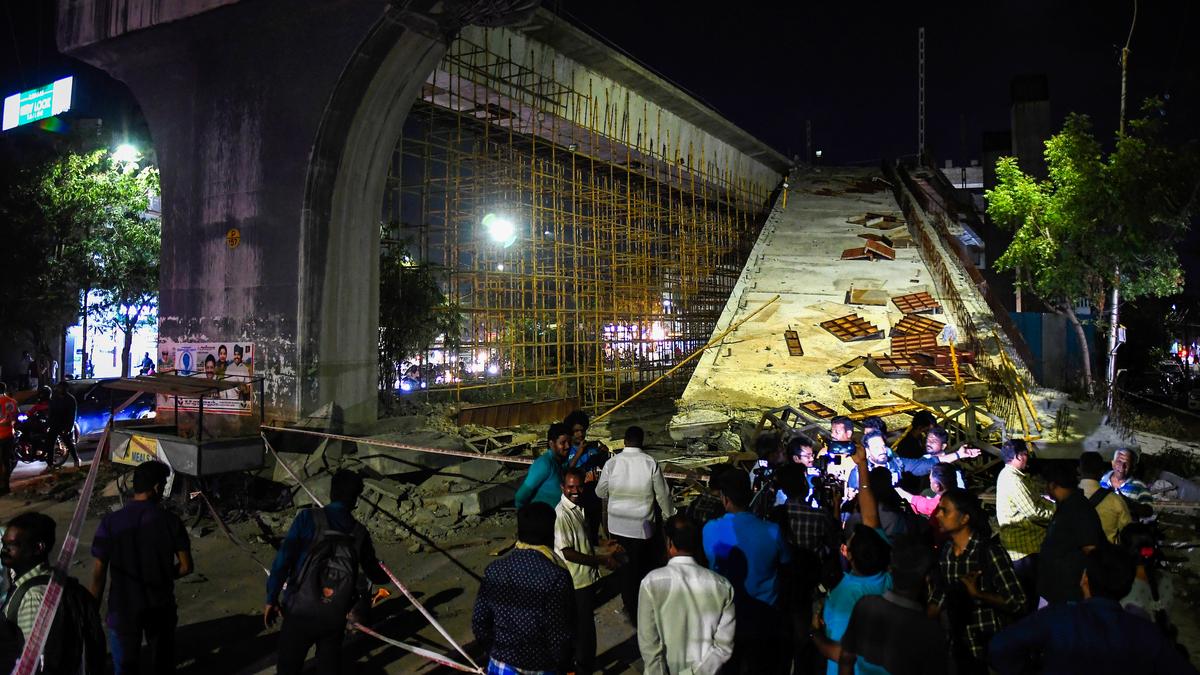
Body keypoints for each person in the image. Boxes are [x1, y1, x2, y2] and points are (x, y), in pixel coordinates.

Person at [988, 543, 1198, 675]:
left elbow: (999, 647)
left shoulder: (1058, 617)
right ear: (1126, 586)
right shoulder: (1145, 632)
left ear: (1084, 580)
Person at [265, 469, 390, 674]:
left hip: (300, 611)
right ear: (355, 499)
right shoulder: (359, 533)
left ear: (331, 492)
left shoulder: (307, 518)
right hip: (334, 615)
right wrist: (386, 573)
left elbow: (282, 561)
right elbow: (375, 574)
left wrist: (272, 597)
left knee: (288, 667)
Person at [90, 461, 193, 674]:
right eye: (164, 484)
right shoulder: (170, 521)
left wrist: (91, 613)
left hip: (122, 608)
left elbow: (98, 574)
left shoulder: (110, 522)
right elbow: (185, 567)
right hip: (160, 606)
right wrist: (163, 575)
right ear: (156, 487)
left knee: (125, 668)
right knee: (162, 664)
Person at [813, 443, 890, 675]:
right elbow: (870, 517)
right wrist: (862, 465)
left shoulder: (843, 596)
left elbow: (842, 653)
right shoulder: (889, 580)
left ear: (846, 553)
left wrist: (813, 632)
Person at [703, 468, 790, 673]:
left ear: (724, 499)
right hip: (764, 619)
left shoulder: (710, 530)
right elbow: (787, 566)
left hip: (725, 619)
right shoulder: (772, 531)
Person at [929, 488, 1025, 674]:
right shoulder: (946, 552)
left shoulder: (989, 552)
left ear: (965, 518)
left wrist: (979, 595)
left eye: (945, 510)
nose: (938, 514)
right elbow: (939, 596)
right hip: (959, 650)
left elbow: (1018, 602)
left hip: (990, 653)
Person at [472, 502, 575, 674]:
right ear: (551, 534)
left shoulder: (495, 570)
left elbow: (479, 623)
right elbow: (559, 635)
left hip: (501, 665)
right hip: (541, 667)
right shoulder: (557, 577)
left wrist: (497, 652)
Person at [2, 512, 105, 674]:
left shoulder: (32, 596)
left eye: (12, 545)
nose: (4, 551)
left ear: (38, 548)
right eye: (3, 544)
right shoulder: (55, 580)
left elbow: (36, 662)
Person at [595, 425, 675, 626]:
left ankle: (629, 608)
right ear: (642, 441)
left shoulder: (612, 464)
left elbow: (600, 492)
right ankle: (645, 608)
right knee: (642, 568)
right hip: (643, 528)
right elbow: (662, 495)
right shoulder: (650, 463)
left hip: (617, 526)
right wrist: (670, 515)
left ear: (624, 441)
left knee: (624, 570)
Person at [638, 515, 736, 675]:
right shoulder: (723, 587)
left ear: (669, 542)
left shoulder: (651, 583)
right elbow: (723, 648)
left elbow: (649, 644)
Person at [838, 539, 950, 675]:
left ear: (890, 569)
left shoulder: (865, 604)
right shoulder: (930, 630)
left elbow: (846, 659)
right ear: (927, 578)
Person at [555, 468, 620, 675]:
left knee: (582, 628)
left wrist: (602, 542)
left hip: (585, 579)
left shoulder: (578, 507)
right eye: (570, 487)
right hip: (576, 581)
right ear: (562, 487)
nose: (575, 491)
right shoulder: (562, 515)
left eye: (579, 486)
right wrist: (600, 559)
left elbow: (585, 537)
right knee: (584, 631)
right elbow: (568, 552)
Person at [1036, 461, 1104, 606]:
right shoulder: (1067, 506)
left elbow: (1091, 550)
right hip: (1058, 593)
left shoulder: (1078, 509)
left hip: (1069, 596)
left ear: (1053, 485)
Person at [994, 439, 1052, 601]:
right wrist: (1057, 514)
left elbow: (1037, 501)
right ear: (1018, 457)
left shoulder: (1018, 476)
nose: (1027, 458)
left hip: (1026, 546)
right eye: (1025, 454)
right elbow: (1034, 512)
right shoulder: (1014, 480)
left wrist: (1055, 506)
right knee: (1029, 597)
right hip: (1024, 548)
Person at [845, 431, 978, 494]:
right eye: (875, 447)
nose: (881, 450)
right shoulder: (858, 473)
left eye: (883, 446)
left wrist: (958, 454)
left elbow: (927, 464)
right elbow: (850, 500)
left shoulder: (896, 463)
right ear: (867, 451)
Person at [563, 409, 608, 544]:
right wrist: (579, 453)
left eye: (582, 430)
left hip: (594, 494)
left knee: (594, 525)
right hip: (577, 496)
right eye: (576, 431)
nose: (580, 434)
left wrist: (603, 455)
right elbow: (568, 469)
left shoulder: (592, 448)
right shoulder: (567, 451)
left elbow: (604, 466)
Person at [514, 423, 572, 509]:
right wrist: (526, 517)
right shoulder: (544, 464)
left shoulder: (561, 462)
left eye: (569, 442)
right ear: (552, 444)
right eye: (563, 443)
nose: (568, 446)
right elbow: (520, 496)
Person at [1079, 451, 1132, 544]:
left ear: (1079, 470)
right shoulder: (1115, 500)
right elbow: (1127, 531)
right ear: (1102, 473)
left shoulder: (1066, 497)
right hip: (1104, 555)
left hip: (1072, 555)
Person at [48, 382, 79, 468]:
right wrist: (49, 423)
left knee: (68, 443)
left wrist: (69, 427)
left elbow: (72, 415)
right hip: (54, 424)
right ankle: (50, 464)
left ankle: (76, 460)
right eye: (59, 388)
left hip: (64, 425)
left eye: (62, 388)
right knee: (50, 444)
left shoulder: (71, 399)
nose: (60, 389)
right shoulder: (54, 398)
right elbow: (51, 412)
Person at [0, 384, 17, 495]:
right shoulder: (11, 401)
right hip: (8, 435)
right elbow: (15, 417)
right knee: (7, 460)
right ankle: (6, 486)